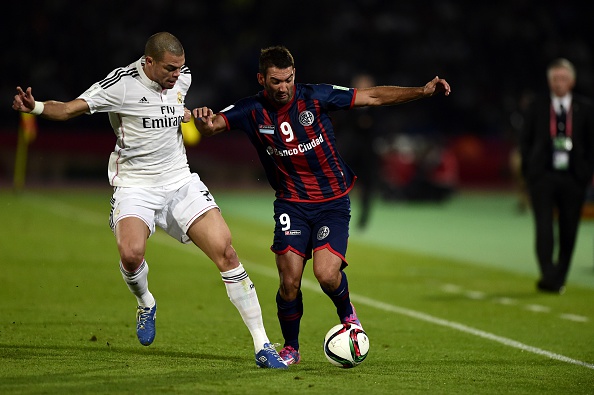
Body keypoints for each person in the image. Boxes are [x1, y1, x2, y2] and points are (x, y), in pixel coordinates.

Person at [11, 32, 287, 369]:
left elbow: (175, 111)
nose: (177, 75)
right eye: (170, 68)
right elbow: (68, 110)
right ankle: (146, 302)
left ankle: (262, 344)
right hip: (134, 186)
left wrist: (192, 116)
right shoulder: (121, 85)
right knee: (131, 255)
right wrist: (35, 107)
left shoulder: (182, 79)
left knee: (227, 252)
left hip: (179, 181)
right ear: (149, 62)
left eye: (180, 68)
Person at [191, 45, 450, 365]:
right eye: (275, 81)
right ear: (262, 79)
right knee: (289, 282)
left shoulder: (317, 96)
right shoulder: (251, 110)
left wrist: (421, 91)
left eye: (288, 79)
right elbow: (213, 125)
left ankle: (349, 318)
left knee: (327, 275)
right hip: (291, 205)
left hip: (332, 202)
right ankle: (291, 348)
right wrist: (203, 121)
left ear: (294, 74)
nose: (283, 87)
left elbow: (372, 96)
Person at [520, 58, 594, 294]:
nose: (559, 83)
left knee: (569, 227)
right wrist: (529, 171)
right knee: (543, 226)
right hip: (543, 175)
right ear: (549, 81)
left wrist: (585, 172)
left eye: (563, 78)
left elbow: (591, 144)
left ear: (571, 81)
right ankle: (548, 273)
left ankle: (558, 277)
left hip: (573, 177)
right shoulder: (537, 106)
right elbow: (525, 141)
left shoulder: (586, 108)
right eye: (554, 79)